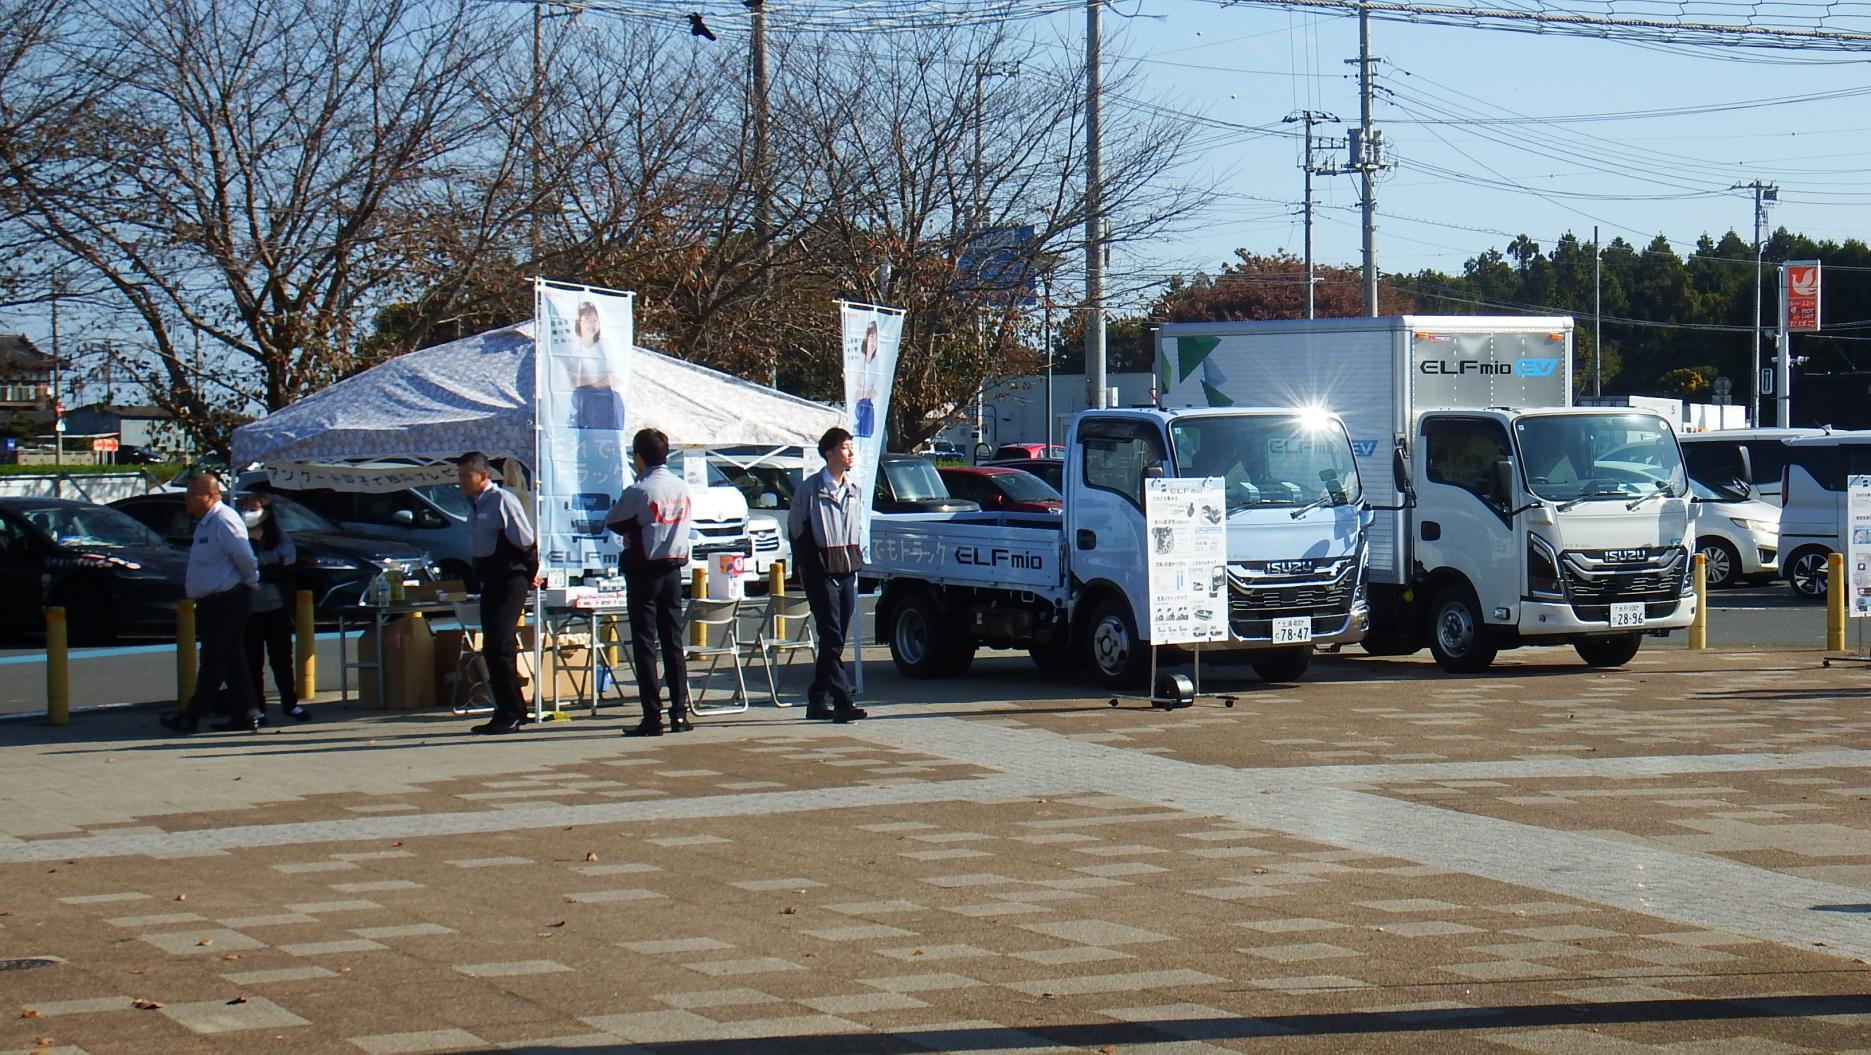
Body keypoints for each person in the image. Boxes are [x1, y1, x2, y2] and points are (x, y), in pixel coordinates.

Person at [606, 428, 694, 737]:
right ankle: (679, 713)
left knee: (645, 644)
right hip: (673, 571)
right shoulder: (681, 487)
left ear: (639, 457)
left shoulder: (640, 489)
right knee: (673, 643)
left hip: (644, 570)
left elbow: (614, 520)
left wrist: (634, 530)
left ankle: (652, 715)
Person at [160, 476, 261, 734]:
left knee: (214, 658)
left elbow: (245, 557)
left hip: (228, 600)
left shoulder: (224, 519)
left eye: (191, 495)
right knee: (232, 660)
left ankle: (193, 716)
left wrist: (250, 583)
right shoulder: (205, 523)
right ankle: (247, 712)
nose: (186, 500)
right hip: (210, 602)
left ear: (209, 495)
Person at [456, 452, 538, 734]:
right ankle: (509, 708)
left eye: (467, 476)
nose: (463, 482)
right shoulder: (475, 504)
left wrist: (528, 572)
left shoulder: (501, 499)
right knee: (492, 645)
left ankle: (512, 712)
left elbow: (525, 539)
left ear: (484, 475)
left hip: (510, 577)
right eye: (461, 476)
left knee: (500, 645)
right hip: (489, 578)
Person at [788, 427, 866, 723]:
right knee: (831, 634)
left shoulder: (854, 489)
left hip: (847, 569)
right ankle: (843, 699)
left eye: (851, 447)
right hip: (821, 572)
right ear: (829, 452)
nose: (850, 453)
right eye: (844, 448)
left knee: (836, 638)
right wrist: (810, 564)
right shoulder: (809, 490)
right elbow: (796, 530)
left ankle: (816, 699)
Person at [237, 493, 312, 724]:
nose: (249, 512)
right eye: (246, 507)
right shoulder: (238, 537)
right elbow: (239, 569)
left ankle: (290, 703)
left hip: (276, 606)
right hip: (249, 609)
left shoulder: (280, 539)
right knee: (252, 660)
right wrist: (264, 570)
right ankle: (257, 706)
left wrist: (259, 572)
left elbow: (284, 571)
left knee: (281, 658)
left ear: (267, 512)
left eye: (255, 508)